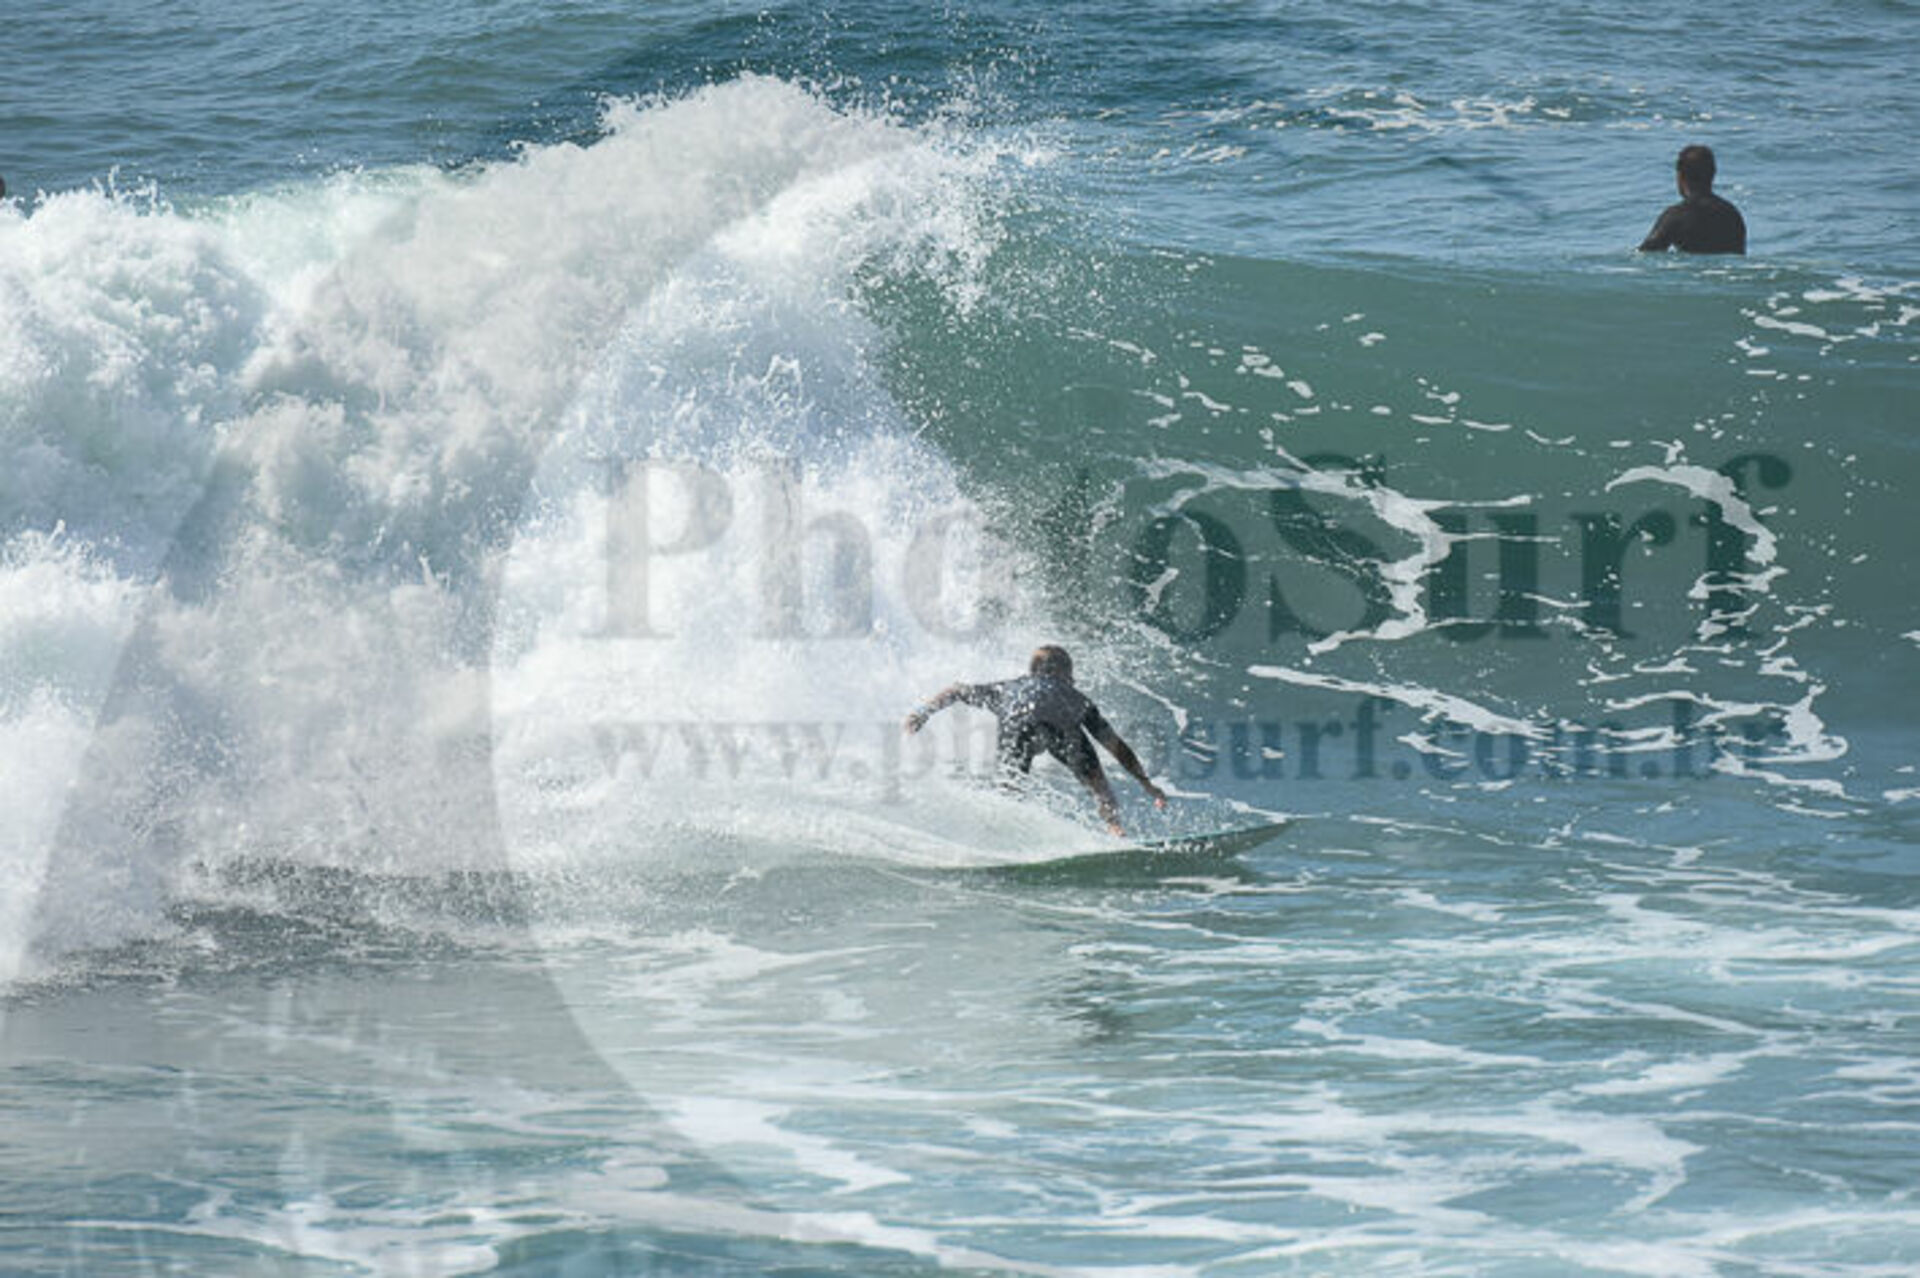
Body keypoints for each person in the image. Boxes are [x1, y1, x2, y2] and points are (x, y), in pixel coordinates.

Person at [904, 645, 1167, 835]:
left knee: (1010, 788)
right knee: (1100, 788)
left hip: (1016, 726)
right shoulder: (1075, 697)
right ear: (1063, 673)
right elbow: (1115, 745)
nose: (1073, 679)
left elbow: (956, 690)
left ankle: (1000, 834)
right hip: (1062, 726)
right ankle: (1116, 830)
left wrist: (922, 713)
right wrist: (1147, 785)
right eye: (1070, 674)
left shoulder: (1006, 689)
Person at [1638, 145, 1746, 255]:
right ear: (1713, 174)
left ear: (1680, 176)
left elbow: (1645, 254)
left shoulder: (1677, 215)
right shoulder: (1733, 215)